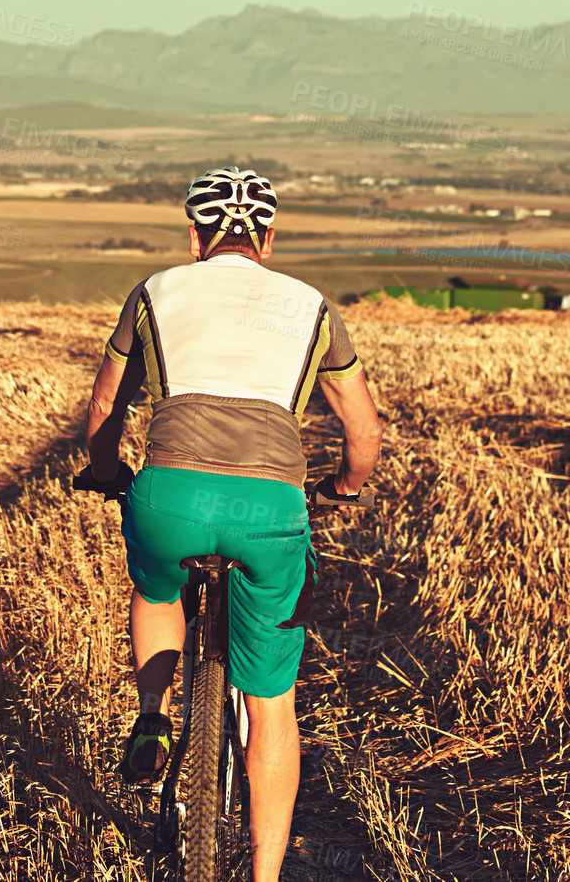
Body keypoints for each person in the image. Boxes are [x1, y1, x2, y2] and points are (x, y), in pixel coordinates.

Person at [76, 165, 383, 882]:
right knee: (272, 703)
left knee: (156, 590)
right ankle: (265, 875)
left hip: (171, 499)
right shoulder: (313, 309)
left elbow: (102, 411)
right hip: (269, 510)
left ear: (194, 235)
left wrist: (105, 470)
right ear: (268, 239)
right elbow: (364, 433)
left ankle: (153, 711)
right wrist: (342, 487)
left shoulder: (154, 291)